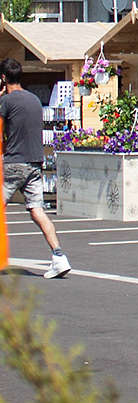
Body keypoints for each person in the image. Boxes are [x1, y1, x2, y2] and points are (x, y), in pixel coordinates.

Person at [0, 58, 71, 278]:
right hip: (35, 163)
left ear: (3, 78)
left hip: (13, 163)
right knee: (37, 210)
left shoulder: (6, 101)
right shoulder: (33, 100)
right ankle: (59, 256)